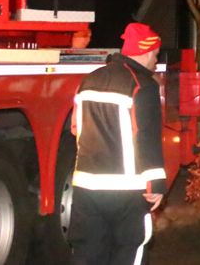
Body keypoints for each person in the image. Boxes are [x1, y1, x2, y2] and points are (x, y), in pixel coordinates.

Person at [69, 22, 165, 265]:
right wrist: (156, 184)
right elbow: (146, 136)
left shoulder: (89, 80)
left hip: (86, 189)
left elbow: (75, 128)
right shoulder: (143, 86)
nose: (156, 60)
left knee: (88, 254)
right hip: (127, 191)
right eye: (155, 54)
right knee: (128, 252)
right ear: (145, 51)